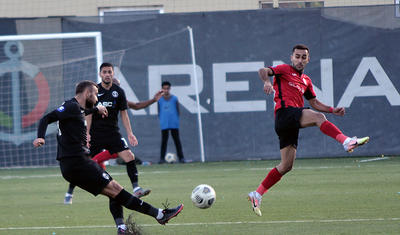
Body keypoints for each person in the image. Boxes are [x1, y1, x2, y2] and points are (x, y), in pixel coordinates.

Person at [33, 80, 183, 234]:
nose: (97, 98)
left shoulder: (75, 108)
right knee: (117, 189)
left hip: (72, 165)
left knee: (114, 192)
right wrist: (40, 137)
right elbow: (47, 118)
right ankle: (159, 214)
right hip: (78, 162)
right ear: (87, 93)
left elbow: (81, 112)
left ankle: (122, 228)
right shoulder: (70, 106)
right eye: (96, 94)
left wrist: (96, 110)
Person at [247, 44, 369, 217]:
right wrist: (267, 81)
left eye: (303, 57)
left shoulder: (306, 81)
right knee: (319, 118)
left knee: (286, 165)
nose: (300, 59)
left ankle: (257, 194)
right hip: (285, 114)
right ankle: (346, 141)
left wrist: (332, 109)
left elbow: (314, 103)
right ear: (291, 57)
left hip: (291, 121)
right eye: (297, 56)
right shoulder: (283, 69)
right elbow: (262, 70)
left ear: (308, 59)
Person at [90, 77, 164, 169]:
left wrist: (153, 100)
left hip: (109, 132)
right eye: (114, 85)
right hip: (93, 131)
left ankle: (98, 170)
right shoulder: (96, 96)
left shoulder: (118, 98)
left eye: (118, 86)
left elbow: (136, 106)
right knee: (91, 159)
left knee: (116, 152)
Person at [157, 81, 186, 164]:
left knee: (177, 141)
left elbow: (178, 110)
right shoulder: (160, 100)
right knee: (164, 141)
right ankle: (162, 159)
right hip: (164, 123)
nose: (166, 90)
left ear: (170, 89)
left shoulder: (174, 98)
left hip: (174, 123)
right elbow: (159, 111)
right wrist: (162, 119)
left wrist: (175, 119)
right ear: (162, 89)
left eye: (167, 88)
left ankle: (181, 158)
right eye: (164, 89)